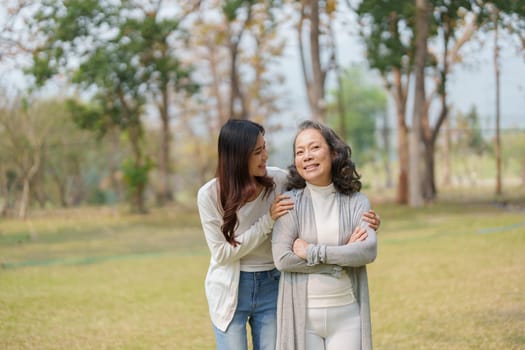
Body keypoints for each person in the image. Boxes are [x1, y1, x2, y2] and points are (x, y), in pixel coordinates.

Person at [197, 119, 380, 350]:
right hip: (230, 288)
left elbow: (319, 190)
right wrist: (269, 221)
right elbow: (224, 254)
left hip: (272, 285)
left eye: (265, 147)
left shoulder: (279, 181)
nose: (266, 155)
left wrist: (365, 220)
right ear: (238, 157)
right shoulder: (209, 195)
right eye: (257, 151)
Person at [272, 120, 378, 350]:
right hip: (302, 320)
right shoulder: (289, 203)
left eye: (314, 148)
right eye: (300, 152)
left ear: (334, 153)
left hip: (347, 315)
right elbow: (282, 259)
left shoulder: (357, 201)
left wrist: (311, 251)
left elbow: (367, 250)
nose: (307, 156)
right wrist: (339, 258)